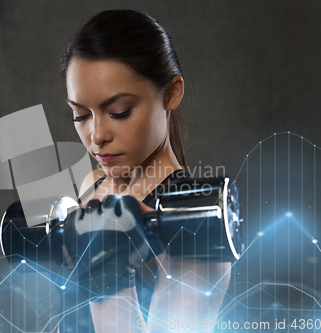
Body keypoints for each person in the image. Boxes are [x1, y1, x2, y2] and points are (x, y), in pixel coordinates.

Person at [58, 9, 231, 332]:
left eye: (119, 112)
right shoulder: (92, 187)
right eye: (80, 115)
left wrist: (110, 283)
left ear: (171, 93)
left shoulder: (195, 223)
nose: (97, 136)